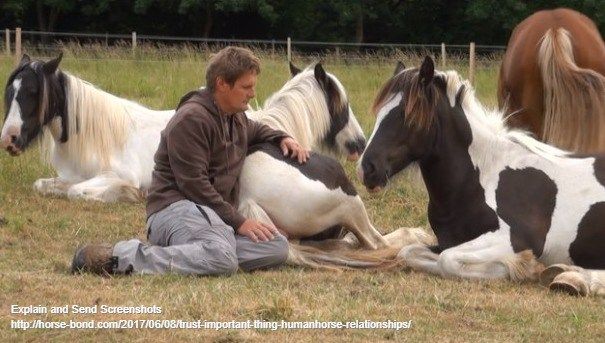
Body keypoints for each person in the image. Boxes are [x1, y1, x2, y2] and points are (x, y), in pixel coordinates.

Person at [72, 46, 309, 276]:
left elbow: (256, 130)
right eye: (246, 87)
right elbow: (194, 185)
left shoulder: (235, 118)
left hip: (212, 218)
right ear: (222, 84)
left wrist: (282, 137)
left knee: (276, 247)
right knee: (222, 257)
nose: (253, 94)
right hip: (176, 208)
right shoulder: (191, 120)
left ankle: (200, 254)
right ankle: (118, 257)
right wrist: (240, 222)